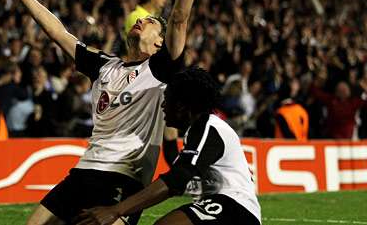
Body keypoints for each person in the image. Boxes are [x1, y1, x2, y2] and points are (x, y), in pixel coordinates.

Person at [0, 0, 212, 224]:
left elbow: (179, 18)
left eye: (149, 22)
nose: (141, 20)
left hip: (124, 179)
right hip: (84, 171)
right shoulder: (103, 65)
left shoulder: (160, 70)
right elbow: (58, 32)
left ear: (160, 43)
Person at [76, 67, 261, 225]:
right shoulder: (199, 129)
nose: (163, 105)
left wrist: (116, 210)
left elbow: (177, 180)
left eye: (167, 98)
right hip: (225, 206)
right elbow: (178, 166)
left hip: (237, 208)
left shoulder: (209, 128)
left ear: (181, 106)